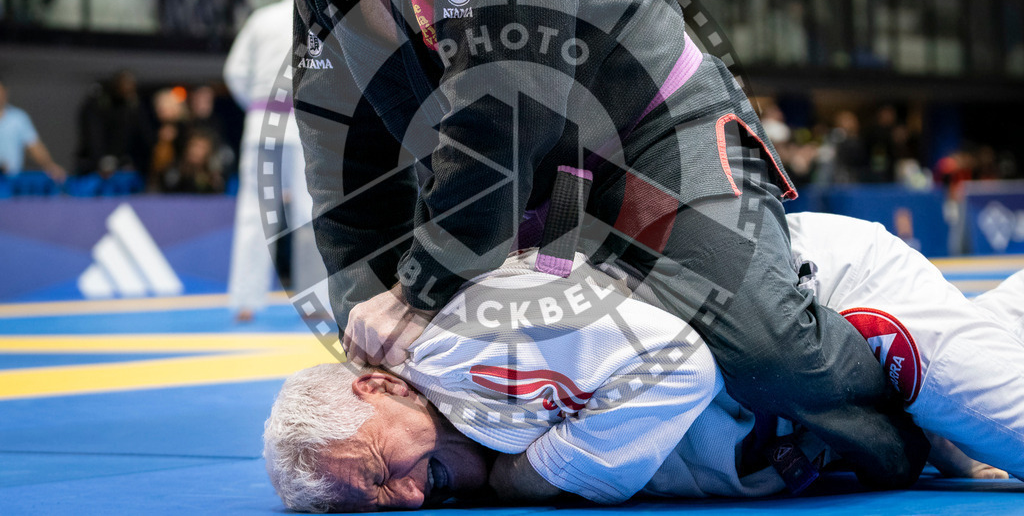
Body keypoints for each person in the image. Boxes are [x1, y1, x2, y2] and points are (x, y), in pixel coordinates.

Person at [255, 0, 927, 486]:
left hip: (648, 136)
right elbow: (342, 152)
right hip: (542, 185)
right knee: (529, 365)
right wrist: (365, 317)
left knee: (763, 350)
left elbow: (507, 107)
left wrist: (420, 289)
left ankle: (910, 414)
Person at [263, 214, 1024, 511]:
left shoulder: (461, 343)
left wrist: (531, 475)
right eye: (375, 505)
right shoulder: (465, 439)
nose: (408, 499)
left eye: (376, 469)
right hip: (825, 410)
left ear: (376, 384)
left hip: (833, 306)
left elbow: (675, 364)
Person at [223, 0, 325, 321]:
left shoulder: (261, 19)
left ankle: (245, 301)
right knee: (308, 212)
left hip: (261, 125)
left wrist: (257, 104)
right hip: (302, 127)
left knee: (254, 213)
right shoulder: (318, 19)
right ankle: (316, 300)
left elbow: (234, 72)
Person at [0, 80, 66, 181]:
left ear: (5, 91)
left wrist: (50, 166)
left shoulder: (18, 118)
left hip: (11, 180)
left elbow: (34, 146)